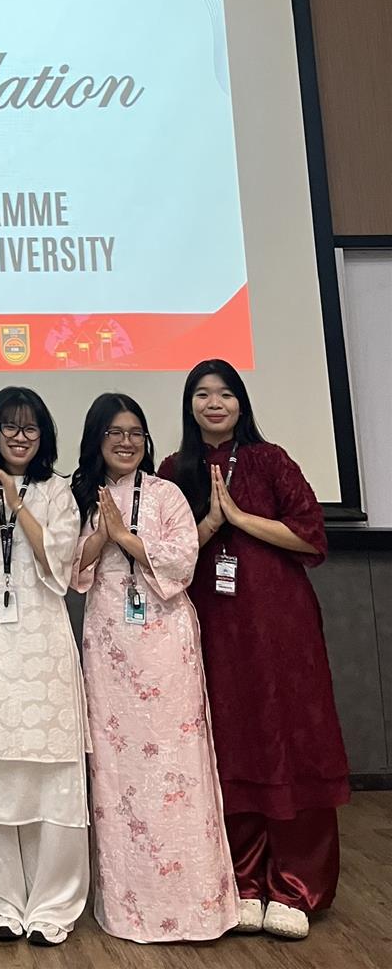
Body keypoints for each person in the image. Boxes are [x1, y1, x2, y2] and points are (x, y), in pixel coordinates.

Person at [159, 359, 349, 941]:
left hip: (281, 627)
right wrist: (210, 523)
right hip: (212, 628)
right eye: (201, 394)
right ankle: (241, 881)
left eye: (225, 393)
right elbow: (166, 555)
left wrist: (239, 518)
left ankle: (295, 886)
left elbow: (311, 538)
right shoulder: (173, 471)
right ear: (189, 405)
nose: (213, 403)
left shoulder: (271, 460)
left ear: (241, 402)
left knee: (290, 736)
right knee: (231, 740)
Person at [71, 391, 238, 944]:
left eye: (135, 433)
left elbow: (182, 561)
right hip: (109, 641)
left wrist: (125, 537)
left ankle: (195, 903)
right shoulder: (81, 494)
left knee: (177, 764)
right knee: (117, 767)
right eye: (115, 433)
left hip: (166, 642)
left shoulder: (166, 493)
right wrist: (102, 534)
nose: (126, 442)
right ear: (97, 439)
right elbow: (71, 570)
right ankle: (129, 906)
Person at [0, 386, 89, 946]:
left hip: (43, 649)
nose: (20, 437)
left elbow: (61, 565)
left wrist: (18, 503)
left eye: (30, 427)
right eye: (10, 426)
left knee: (51, 778)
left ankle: (53, 905)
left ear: (43, 435)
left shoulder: (57, 490)